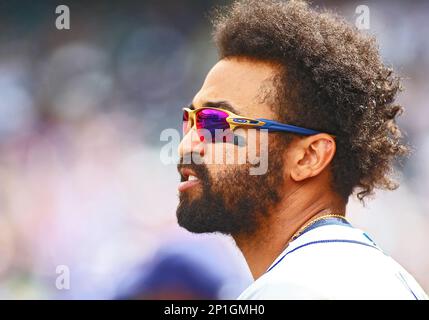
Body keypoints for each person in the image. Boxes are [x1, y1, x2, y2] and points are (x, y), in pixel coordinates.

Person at [176, 0, 428, 299]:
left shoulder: (292, 287)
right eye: (189, 121)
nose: (187, 145)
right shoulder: (394, 279)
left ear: (309, 157)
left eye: (215, 123)